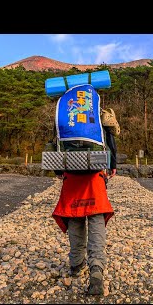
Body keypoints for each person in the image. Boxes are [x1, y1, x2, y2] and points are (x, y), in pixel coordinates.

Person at [52, 108, 120, 295]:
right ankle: (96, 269)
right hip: (94, 176)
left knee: (75, 217)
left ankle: (76, 264)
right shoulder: (98, 115)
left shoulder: (63, 115)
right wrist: (112, 166)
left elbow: (55, 144)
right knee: (96, 217)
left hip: (71, 177)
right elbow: (110, 143)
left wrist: (58, 171)